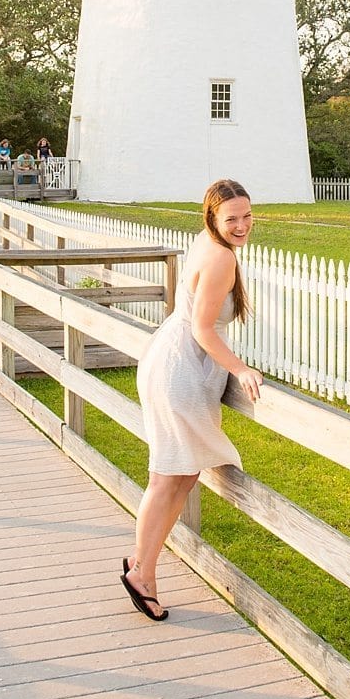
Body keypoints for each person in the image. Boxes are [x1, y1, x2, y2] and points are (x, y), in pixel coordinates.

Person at [122, 178, 263, 621]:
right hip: (182, 369)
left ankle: (141, 565)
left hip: (176, 358)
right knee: (167, 477)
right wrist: (240, 369)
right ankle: (142, 573)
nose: (241, 226)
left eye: (247, 216)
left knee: (182, 475)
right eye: (232, 219)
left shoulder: (207, 242)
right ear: (213, 219)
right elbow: (204, 327)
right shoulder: (221, 257)